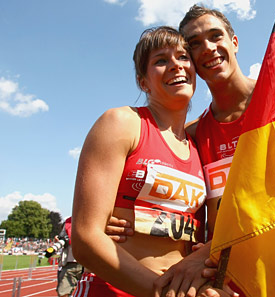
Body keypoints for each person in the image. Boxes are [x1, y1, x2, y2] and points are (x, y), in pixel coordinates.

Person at [107, 5, 256, 297]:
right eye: (195, 44)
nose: (208, 48)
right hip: (225, 285)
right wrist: (112, 219)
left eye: (215, 36)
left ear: (234, 42)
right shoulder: (194, 135)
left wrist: (203, 254)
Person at [71, 26, 208, 297]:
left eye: (183, 57)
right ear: (143, 82)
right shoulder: (122, 123)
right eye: (160, 60)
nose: (175, 66)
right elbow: (86, 238)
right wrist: (162, 292)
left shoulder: (199, 140)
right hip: (113, 290)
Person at [46, 217, 83, 297]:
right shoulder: (68, 223)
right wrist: (56, 244)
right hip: (69, 263)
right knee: (63, 292)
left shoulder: (95, 218)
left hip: (88, 264)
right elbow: (62, 239)